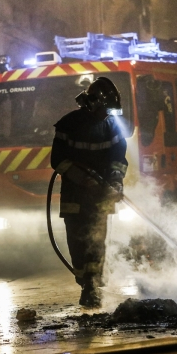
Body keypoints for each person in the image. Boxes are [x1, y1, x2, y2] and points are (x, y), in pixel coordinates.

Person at [51, 77, 128, 308]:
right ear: (93, 103)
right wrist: (84, 179)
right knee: (77, 244)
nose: (107, 114)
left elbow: (118, 160)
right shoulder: (68, 124)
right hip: (74, 197)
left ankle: (92, 285)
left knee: (97, 242)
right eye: (104, 109)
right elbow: (58, 161)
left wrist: (115, 182)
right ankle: (85, 281)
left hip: (101, 198)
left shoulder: (112, 127)